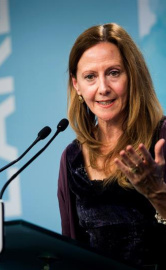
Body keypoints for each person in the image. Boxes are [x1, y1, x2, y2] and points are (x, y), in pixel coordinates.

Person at [57, 23, 166, 269]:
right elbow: (70, 250)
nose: (103, 88)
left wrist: (158, 195)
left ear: (133, 76)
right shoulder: (72, 158)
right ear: (77, 86)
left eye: (114, 72)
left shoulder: (162, 138)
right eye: (90, 76)